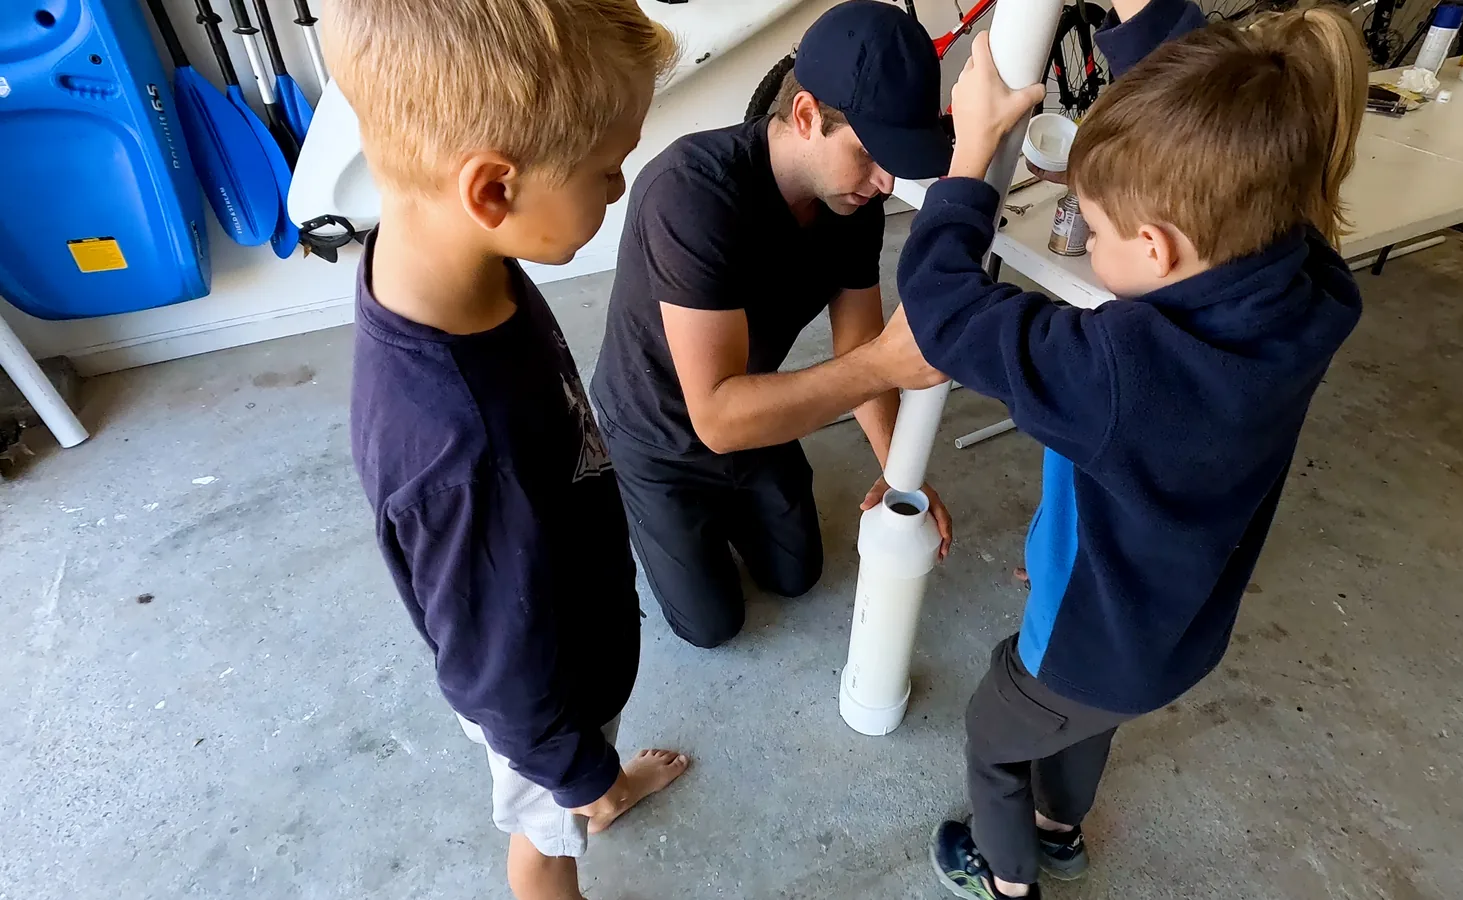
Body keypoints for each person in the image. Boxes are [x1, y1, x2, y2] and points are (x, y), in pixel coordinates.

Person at [889, 1, 1370, 897]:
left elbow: (943, 306)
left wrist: (969, 158)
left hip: (1077, 644)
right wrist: (1148, 21)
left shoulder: (1115, 369)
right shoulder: (1310, 290)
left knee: (996, 740)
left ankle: (1008, 876)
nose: (1088, 237)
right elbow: (1234, 146)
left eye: (1094, 228)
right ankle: (1061, 828)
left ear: (1154, 247)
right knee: (1084, 727)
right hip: (1171, 635)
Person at [332, 2, 690, 898]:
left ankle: (599, 783)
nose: (618, 189)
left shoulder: (446, 252)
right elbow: (495, 671)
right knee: (548, 844)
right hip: (540, 706)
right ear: (492, 190)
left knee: (584, 778)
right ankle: (594, 802)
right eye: (608, 171)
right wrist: (578, 775)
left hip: (563, 612)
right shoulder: (459, 456)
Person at [589, 0, 952, 650]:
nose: (886, 179)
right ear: (807, 115)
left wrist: (904, 476)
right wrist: (887, 364)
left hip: (752, 410)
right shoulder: (691, 193)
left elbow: (859, 346)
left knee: (797, 577)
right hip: (659, 436)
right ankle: (635, 501)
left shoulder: (852, 202)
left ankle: (737, 496)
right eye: (871, 153)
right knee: (711, 627)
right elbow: (718, 419)